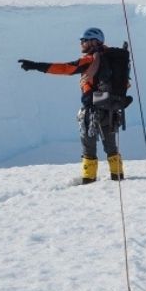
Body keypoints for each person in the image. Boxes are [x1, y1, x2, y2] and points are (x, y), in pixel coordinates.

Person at [18, 27, 127, 184]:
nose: (81, 43)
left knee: (88, 149)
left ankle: (89, 182)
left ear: (95, 41)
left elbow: (64, 68)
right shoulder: (113, 60)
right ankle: (118, 179)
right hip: (110, 110)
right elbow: (126, 84)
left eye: (84, 40)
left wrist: (36, 65)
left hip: (92, 113)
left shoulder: (89, 61)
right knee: (111, 148)